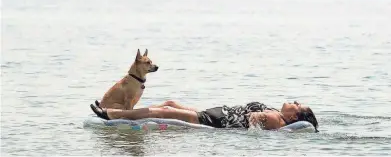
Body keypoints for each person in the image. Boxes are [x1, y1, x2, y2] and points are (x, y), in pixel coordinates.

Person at [90, 99, 319, 132]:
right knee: (170, 103)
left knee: (166, 111)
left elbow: (252, 123)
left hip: (210, 121)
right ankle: (131, 114)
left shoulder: (275, 119)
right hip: (208, 113)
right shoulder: (276, 112)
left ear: (293, 117)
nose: (293, 101)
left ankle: (112, 115)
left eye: (297, 104)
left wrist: (256, 117)